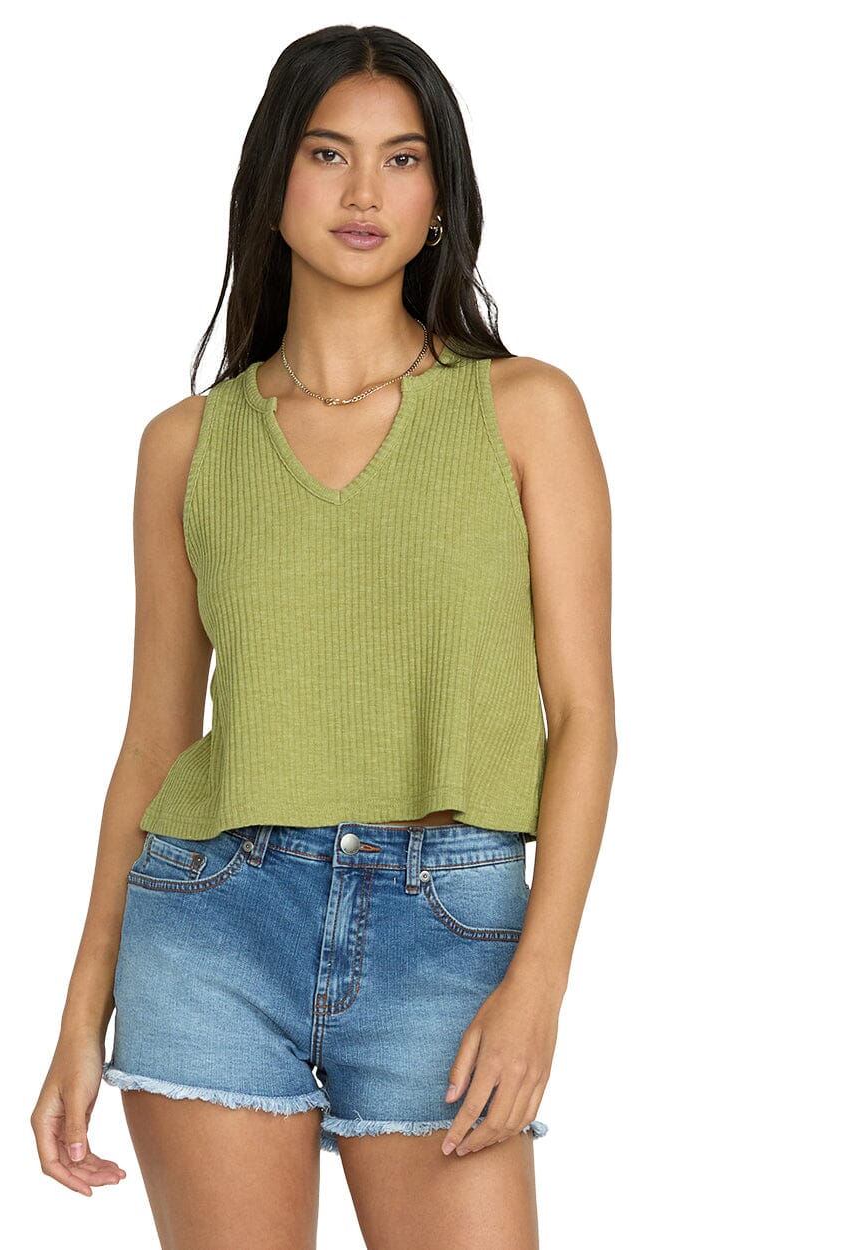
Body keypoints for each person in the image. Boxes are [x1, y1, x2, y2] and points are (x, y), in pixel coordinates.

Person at [31, 23, 616, 1250]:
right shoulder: (187, 443)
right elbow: (152, 741)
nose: (364, 193)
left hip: (448, 929)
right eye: (327, 153)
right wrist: (83, 1013)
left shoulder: (525, 409)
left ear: (441, 200)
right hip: (212, 924)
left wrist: (539, 982)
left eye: (403, 159)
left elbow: (584, 719)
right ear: (273, 182)